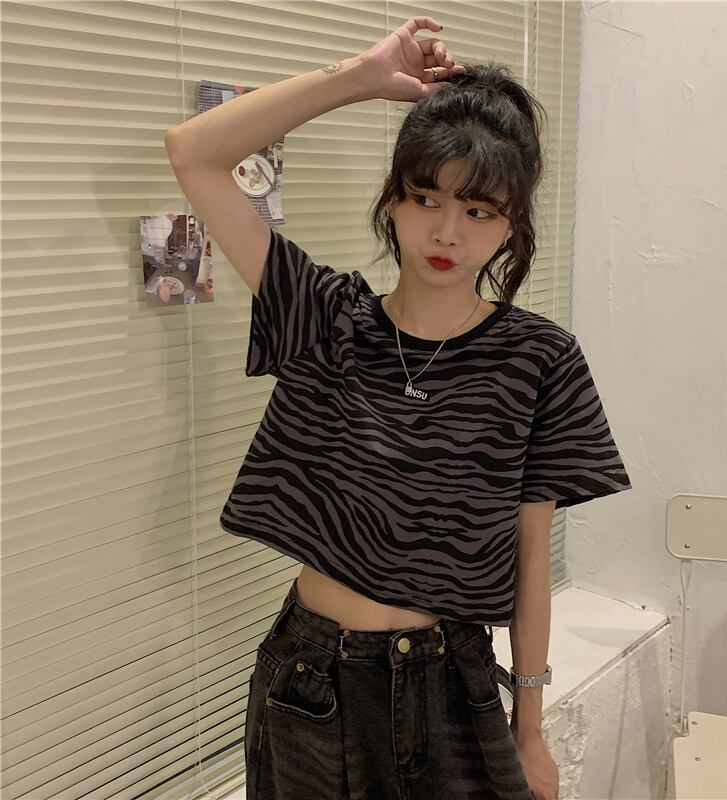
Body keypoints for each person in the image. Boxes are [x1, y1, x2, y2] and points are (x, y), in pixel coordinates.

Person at [165, 16, 632, 800]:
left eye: (480, 210)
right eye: (426, 198)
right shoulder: (325, 317)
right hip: (311, 680)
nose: (447, 232)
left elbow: (529, 554)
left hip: (452, 685)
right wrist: (364, 77)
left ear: (512, 224)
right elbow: (193, 151)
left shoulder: (539, 359)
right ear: (393, 199)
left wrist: (531, 728)